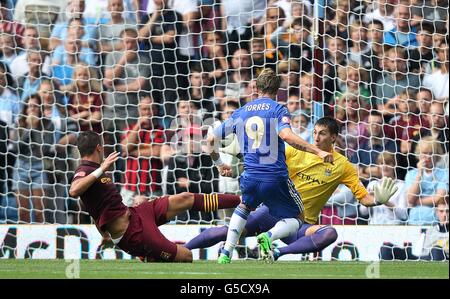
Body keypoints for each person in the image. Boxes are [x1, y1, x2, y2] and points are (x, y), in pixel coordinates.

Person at [188, 117, 399, 261]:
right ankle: (182, 249)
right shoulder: (295, 150)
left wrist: (377, 200)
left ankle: (276, 253)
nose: (316, 137)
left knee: (329, 234)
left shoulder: (343, 166)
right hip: (270, 213)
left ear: (333, 137)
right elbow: (264, 167)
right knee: (228, 231)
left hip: (301, 223)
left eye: (323, 134)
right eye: (315, 132)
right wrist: (235, 168)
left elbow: (363, 198)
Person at [207, 68, 334, 263]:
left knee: (244, 206)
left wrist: (219, 164)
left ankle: (226, 252)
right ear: (277, 88)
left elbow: (210, 139)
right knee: (299, 216)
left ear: (256, 88)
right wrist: (317, 151)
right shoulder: (278, 109)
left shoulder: (241, 111)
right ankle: (269, 237)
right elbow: (286, 136)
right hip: (275, 176)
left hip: (249, 177)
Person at [69, 130, 241, 262]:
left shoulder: (94, 174)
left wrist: (105, 235)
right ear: (99, 148)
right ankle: (150, 254)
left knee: (185, 197)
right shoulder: (85, 170)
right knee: (186, 256)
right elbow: (74, 191)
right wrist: (102, 168)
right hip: (133, 234)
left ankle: (243, 201)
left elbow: (95, 208)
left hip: (136, 213)